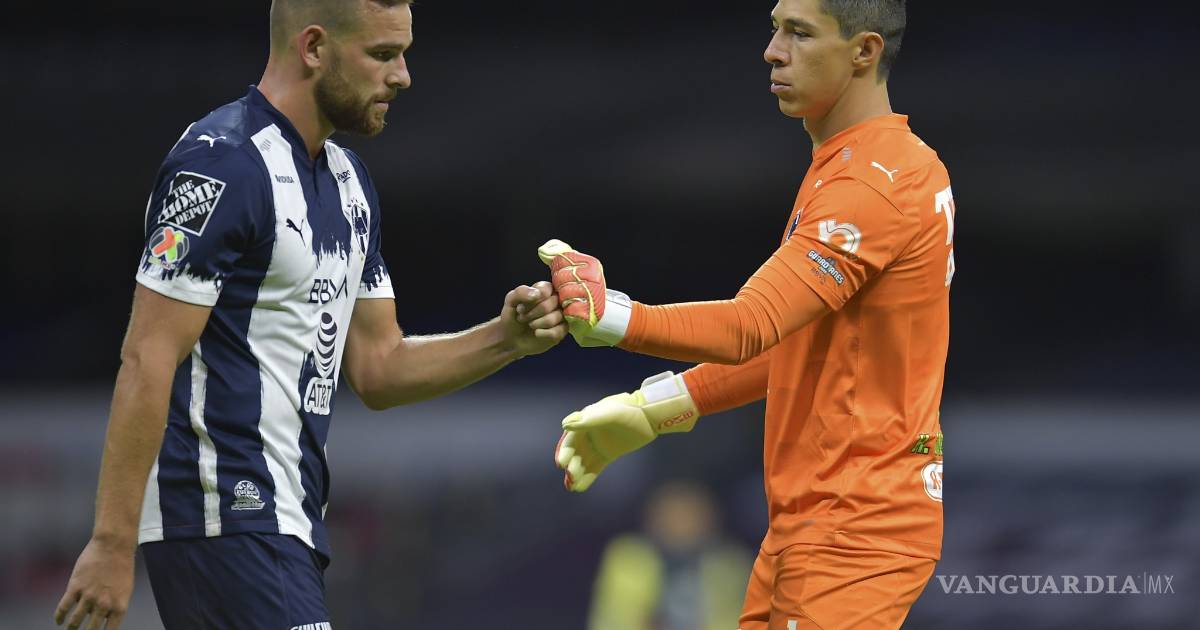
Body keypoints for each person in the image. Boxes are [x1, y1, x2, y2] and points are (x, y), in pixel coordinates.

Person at [53, 1, 567, 628]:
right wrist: (111, 542)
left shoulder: (349, 183)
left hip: (289, 522)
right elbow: (146, 355)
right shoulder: (222, 163)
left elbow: (379, 368)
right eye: (383, 54)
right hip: (224, 510)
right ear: (315, 48)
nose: (403, 76)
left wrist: (508, 339)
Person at [537, 1, 951, 628]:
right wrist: (655, 408)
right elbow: (796, 345)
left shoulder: (871, 184)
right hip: (818, 521)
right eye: (776, 28)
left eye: (799, 33)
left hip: (853, 526)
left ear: (864, 51)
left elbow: (748, 325)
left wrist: (614, 317)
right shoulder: (864, 164)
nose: (773, 51)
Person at [588, 480, 752, 630]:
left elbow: (735, 619)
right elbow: (617, 617)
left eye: (690, 515)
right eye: (674, 514)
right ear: (654, 516)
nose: (681, 524)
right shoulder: (628, 558)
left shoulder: (729, 565)